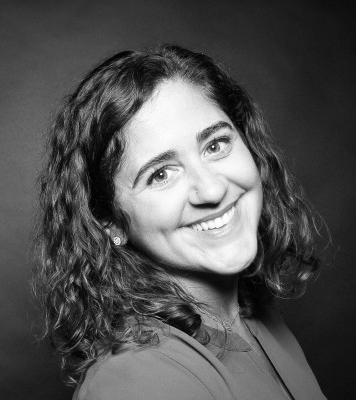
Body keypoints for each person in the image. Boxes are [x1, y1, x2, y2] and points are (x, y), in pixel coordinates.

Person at [33, 44, 327, 400]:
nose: (212, 189)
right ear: (110, 223)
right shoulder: (136, 382)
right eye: (160, 174)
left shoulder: (253, 317)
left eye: (215, 145)